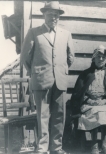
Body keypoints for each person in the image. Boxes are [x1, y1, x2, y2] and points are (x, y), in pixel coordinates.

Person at [20, 2, 74, 154]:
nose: (54, 17)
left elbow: (71, 57)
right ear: (44, 14)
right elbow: (25, 57)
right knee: (42, 116)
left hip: (60, 81)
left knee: (59, 116)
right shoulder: (34, 32)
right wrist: (38, 71)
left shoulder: (66, 34)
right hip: (41, 80)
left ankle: (57, 148)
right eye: (50, 14)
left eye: (56, 15)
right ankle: (42, 148)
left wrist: (60, 70)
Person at [71, 45, 106, 154]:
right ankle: (94, 145)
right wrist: (90, 101)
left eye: (103, 57)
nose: (101, 59)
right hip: (88, 104)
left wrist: (105, 101)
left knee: (103, 113)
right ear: (93, 58)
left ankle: (104, 144)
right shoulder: (85, 74)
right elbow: (79, 93)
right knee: (96, 112)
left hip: (104, 103)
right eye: (98, 57)